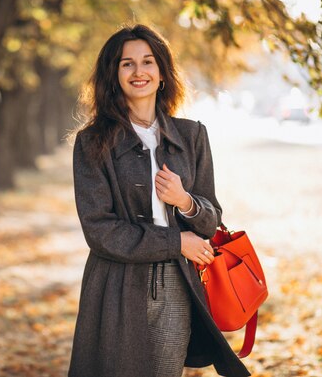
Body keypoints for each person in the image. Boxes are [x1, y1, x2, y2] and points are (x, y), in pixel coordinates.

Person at [68, 24, 250, 377]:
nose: (139, 72)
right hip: (116, 284)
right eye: (127, 64)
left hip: (177, 285)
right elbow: (100, 230)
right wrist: (176, 240)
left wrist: (186, 202)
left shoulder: (192, 134)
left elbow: (211, 219)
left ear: (162, 73)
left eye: (148, 62)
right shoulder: (92, 143)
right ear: (113, 74)